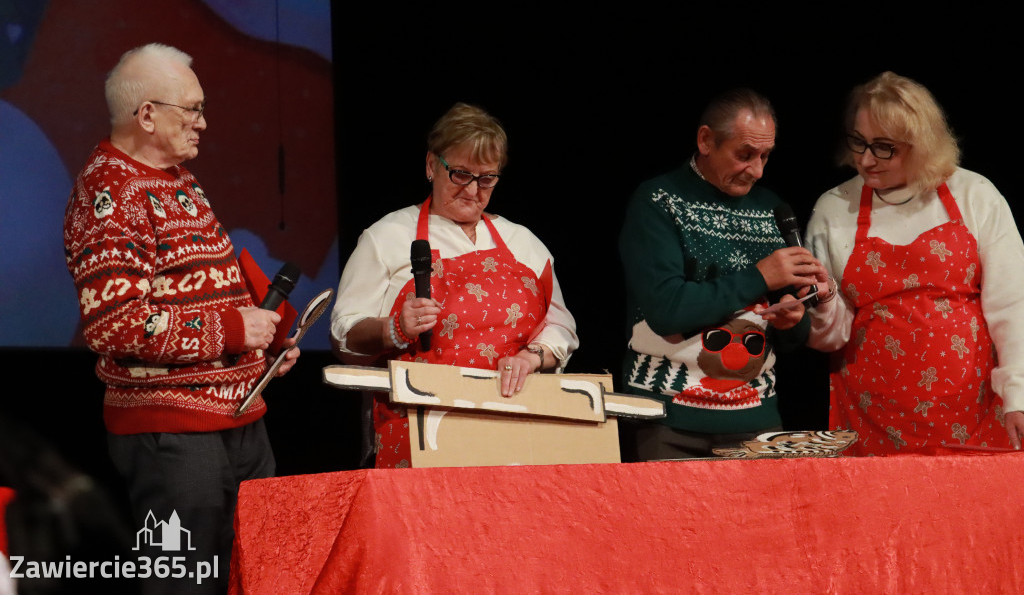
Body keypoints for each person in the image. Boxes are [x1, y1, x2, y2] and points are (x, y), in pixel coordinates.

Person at [62, 43, 299, 593]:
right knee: (184, 586)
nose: (203, 122)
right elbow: (115, 324)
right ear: (147, 114)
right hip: (172, 433)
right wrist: (237, 330)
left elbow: (202, 290)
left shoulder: (180, 179)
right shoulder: (110, 194)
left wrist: (259, 346)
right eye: (191, 109)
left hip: (238, 416)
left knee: (256, 575)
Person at [330, 102, 579, 468]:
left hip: (515, 431)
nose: (473, 190)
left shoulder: (523, 242)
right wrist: (393, 329)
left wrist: (533, 356)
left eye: (487, 178)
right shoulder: (387, 237)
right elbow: (343, 334)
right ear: (432, 166)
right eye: (461, 174)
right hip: (421, 433)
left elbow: (561, 325)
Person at [806, 71, 1024, 455]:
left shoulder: (974, 195)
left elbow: (1012, 305)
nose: (866, 159)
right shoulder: (834, 208)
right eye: (858, 142)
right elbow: (829, 337)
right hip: (871, 417)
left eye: (884, 147)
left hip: (972, 409)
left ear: (921, 145)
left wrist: (1018, 394)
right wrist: (823, 303)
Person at [619, 88, 829, 461]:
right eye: (744, 155)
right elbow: (668, 310)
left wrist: (792, 317)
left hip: (756, 420)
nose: (757, 169)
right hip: (669, 420)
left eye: (765, 156)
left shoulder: (771, 209)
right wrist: (761, 277)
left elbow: (793, 336)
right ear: (705, 140)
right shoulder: (660, 201)